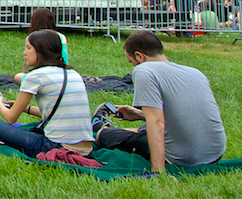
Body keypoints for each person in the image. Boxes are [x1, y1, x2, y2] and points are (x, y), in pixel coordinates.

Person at [93, 31, 226, 171]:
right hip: (214, 154)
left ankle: (100, 129)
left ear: (139, 56)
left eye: (131, 62)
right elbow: (185, 115)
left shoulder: (144, 70)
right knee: (144, 128)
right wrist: (139, 114)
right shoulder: (196, 73)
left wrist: (158, 171)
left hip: (182, 157)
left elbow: (156, 123)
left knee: (110, 136)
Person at [0, 30, 93, 157]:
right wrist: (26, 109)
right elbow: (59, 112)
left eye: (29, 48)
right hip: (87, 149)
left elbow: (10, 118)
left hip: (56, 147)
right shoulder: (73, 73)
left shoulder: (35, 76)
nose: (24, 53)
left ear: (41, 51)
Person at [14, 8, 68, 80]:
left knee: (18, 76)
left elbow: (27, 60)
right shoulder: (61, 37)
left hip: (42, 74)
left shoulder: (31, 38)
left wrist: (25, 72)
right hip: (62, 73)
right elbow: (65, 57)